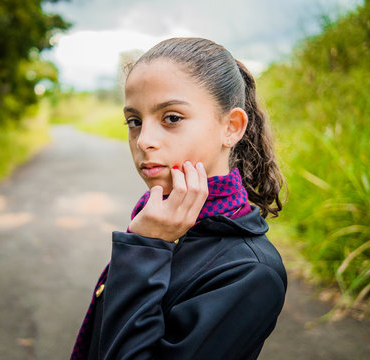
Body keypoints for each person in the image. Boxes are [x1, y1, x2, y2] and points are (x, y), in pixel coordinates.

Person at [71, 37, 287, 360]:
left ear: (231, 127)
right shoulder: (161, 224)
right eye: (134, 121)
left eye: (171, 118)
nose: (144, 140)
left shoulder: (251, 273)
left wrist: (145, 249)